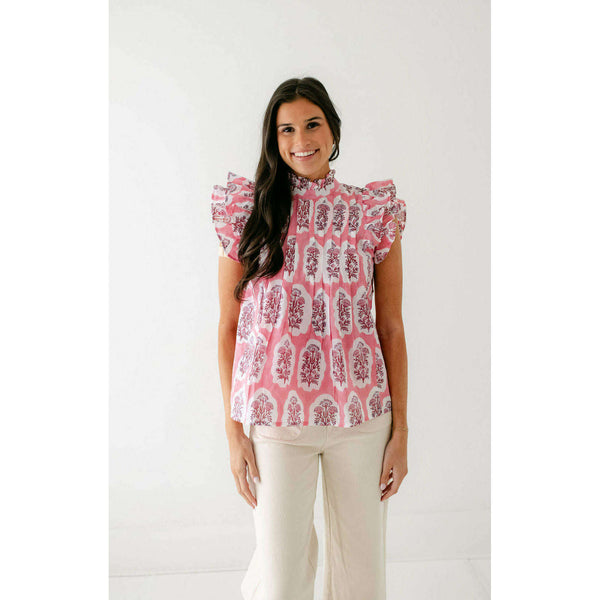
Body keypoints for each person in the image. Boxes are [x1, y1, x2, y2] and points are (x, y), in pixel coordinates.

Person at [210, 77, 408, 600]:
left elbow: (390, 326)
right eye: (287, 129)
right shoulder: (250, 212)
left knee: (362, 578)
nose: (301, 139)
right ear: (273, 139)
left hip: (362, 419)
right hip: (276, 421)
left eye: (312, 124)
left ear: (333, 129)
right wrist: (233, 433)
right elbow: (228, 328)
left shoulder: (371, 213)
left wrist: (401, 433)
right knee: (282, 579)